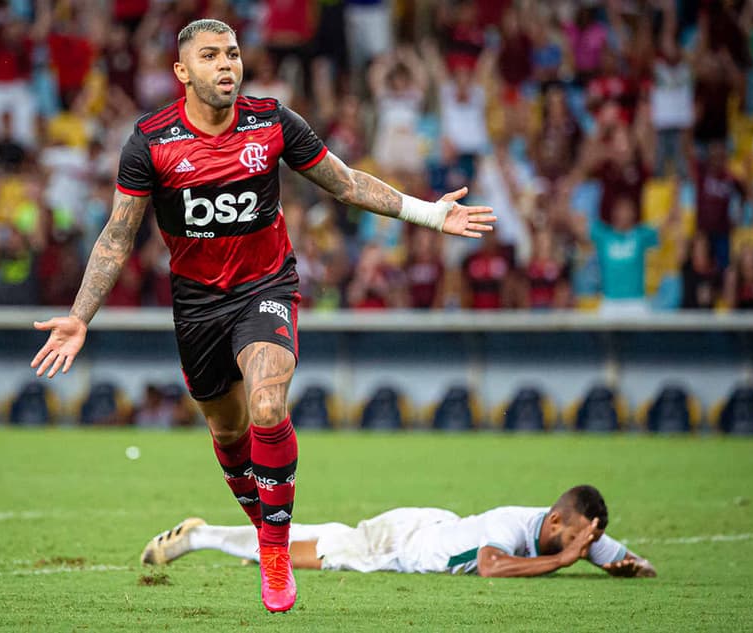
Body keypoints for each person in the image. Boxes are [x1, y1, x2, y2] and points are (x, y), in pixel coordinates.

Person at [30, 19, 496, 613]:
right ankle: (263, 528)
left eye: (232, 53)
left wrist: (430, 215)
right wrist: (79, 317)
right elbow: (118, 238)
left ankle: (275, 555)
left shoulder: (272, 121)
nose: (226, 64)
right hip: (198, 305)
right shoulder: (150, 141)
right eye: (210, 56)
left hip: (265, 287)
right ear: (182, 72)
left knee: (268, 406)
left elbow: (346, 184)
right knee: (228, 433)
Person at [140, 484, 656, 579]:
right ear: (555, 522)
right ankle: (201, 536)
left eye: (586, 542)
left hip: (426, 526)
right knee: (298, 554)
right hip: (402, 544)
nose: (581, 548)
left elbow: (635, 562)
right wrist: (562, 561)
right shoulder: (511, 526)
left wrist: (628, 564)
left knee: (324, 536)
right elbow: (491, 566)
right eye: (575, 539)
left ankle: (225, 540)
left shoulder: (566, 525)